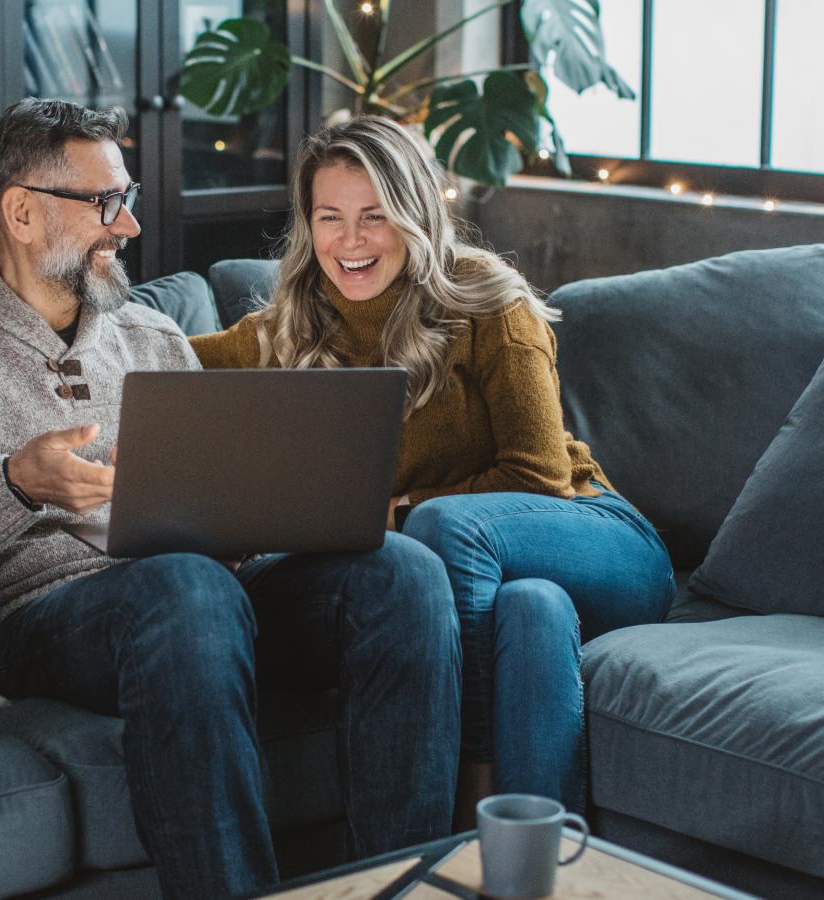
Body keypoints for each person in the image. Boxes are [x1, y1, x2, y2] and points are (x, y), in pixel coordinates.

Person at [0, 99, 461, 898]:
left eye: (125, 200)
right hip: (45, 620)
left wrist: (253, 519)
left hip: (201, 595)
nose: (127, 228)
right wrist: (15, 486)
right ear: (22, 211)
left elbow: (216, 505)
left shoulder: (153, 339)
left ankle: (411, 888)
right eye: (105, 204)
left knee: (400, 571)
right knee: (186, 588)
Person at [190, 116, 674, 817]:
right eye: (330, 218)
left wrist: (403, 512)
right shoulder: (288, 328)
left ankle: (465, 791)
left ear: (415, 213)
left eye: (375, 216)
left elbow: (540, 476)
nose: (350, 241)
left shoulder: (485, 299)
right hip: (513, 582)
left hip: (599, 538)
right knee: (531, 611)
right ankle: (540, 862)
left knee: (446, 528)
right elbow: (162, 363)